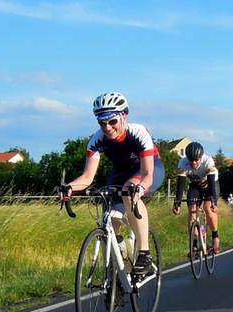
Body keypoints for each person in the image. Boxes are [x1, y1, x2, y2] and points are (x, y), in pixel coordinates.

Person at [60, 92, 165, 275]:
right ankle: (117, 274)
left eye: (112, 121)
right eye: (102, 123)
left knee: (129, 190)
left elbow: (147, 175)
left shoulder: (138, 133)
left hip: (149, 168)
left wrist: (140, 188)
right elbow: (87, 177)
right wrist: (70, 187)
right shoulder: (96, 140)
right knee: (111, 219)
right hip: (121, 171)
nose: (107, 128)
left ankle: (144, 253)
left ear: (124, 117)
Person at [172, 141, 222, 254]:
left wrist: (214, 203)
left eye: (196, 160)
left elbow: (212, 184)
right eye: (191, 160)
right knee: (192, 210)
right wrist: (177, 204)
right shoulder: (183, 163)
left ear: (201, 157)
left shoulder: (208, 161)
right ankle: (194, 243)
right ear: (187, 158)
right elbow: (180, 185)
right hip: (195, 186)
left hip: (210, 185)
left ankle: (215, 235)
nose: (193, 162)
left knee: (208, 208)